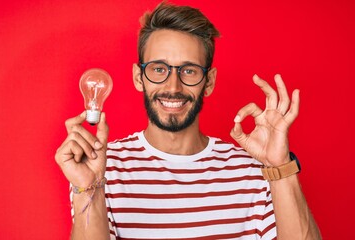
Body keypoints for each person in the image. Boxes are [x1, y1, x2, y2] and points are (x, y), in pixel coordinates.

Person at [55, 2, 321, 239]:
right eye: (159, 69)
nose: (173, 86)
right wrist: (88, 187)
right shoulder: (102, 167)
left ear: (209, 82)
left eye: (189, 70)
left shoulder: (257, 172)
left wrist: (280, 168)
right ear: (139, 77)